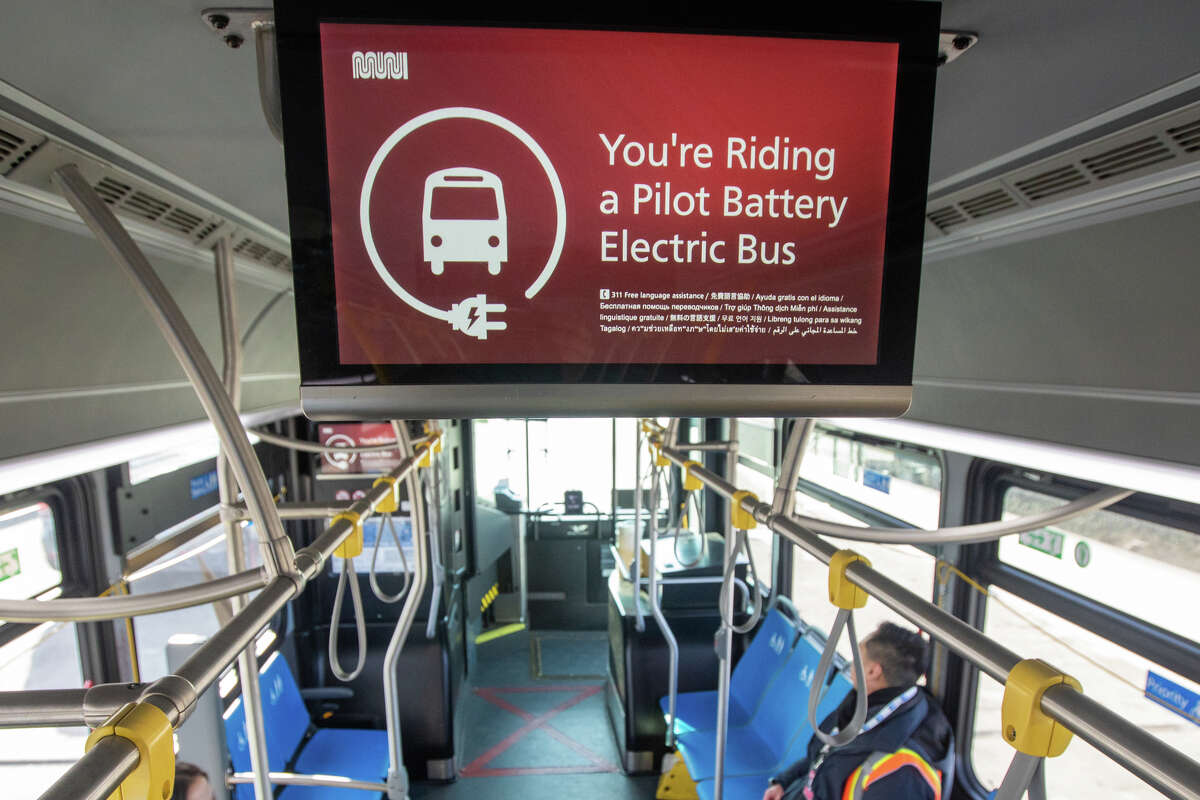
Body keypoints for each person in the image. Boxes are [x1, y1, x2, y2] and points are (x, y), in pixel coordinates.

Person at [762, 622, 955, 800]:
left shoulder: (903, 772)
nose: (852, 664)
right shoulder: (862, 705)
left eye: (857, 658)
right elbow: (823, 757)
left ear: (873, 672)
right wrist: (784, 782)